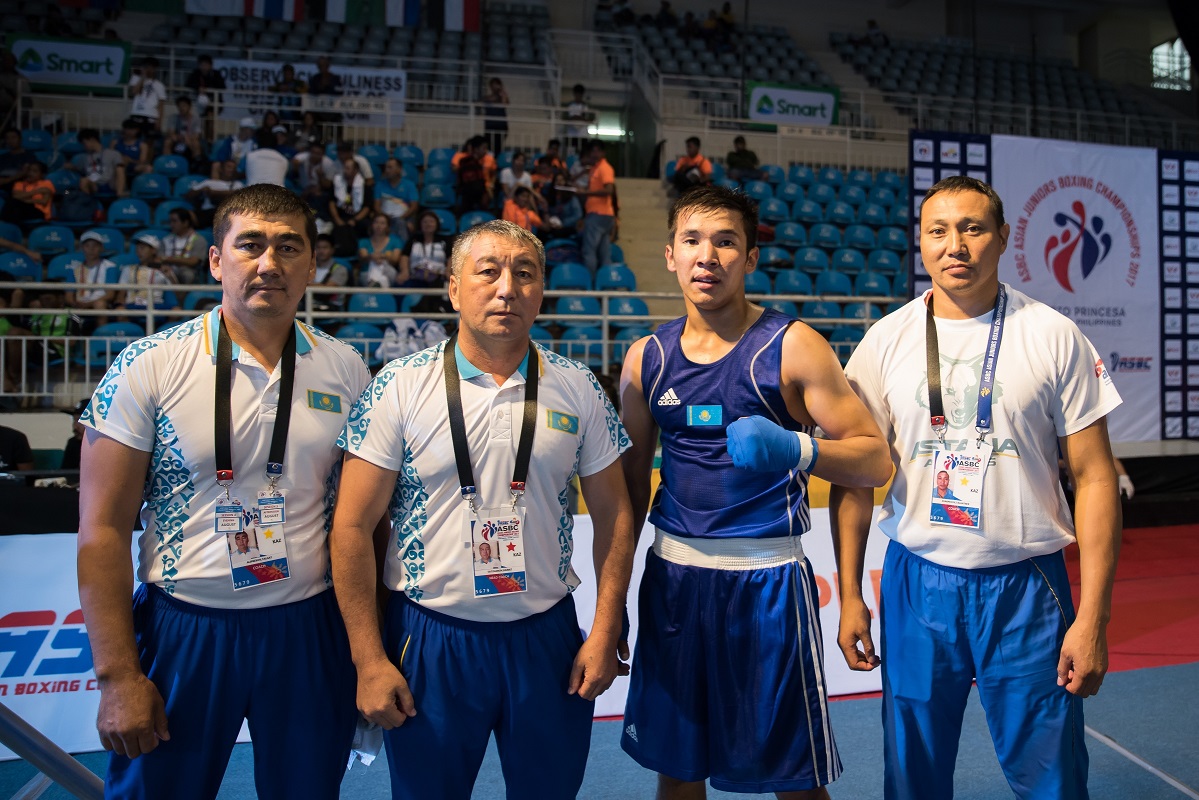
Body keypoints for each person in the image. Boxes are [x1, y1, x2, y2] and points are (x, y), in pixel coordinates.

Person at [830, 175, 1122, 800]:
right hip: (917, 582)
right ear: (920, 241)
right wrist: (849, 593)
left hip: (1027, 586)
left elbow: (1096, 477)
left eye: (972, 228)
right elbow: (856, 476)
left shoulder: (1053, 334)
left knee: (1051, 773)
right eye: (938, 231)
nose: (955, 245)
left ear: (1003, 237)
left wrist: (1094, 616)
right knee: (912, 770)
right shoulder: (885, 341)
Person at [77, 183, 371, 799]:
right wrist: (116, 675)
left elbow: (363, 521)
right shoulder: (149, 364)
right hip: (185, 627)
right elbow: (101, 530)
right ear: (216, 260)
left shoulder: (346, 368)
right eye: (250, 245)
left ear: (312, 266)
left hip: (306, 628)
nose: (269, 263)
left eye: (289, 247)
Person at [328, 218, 636, 798]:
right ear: (453, 288)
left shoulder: (579, 386)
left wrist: (605, 626)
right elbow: (351, 526)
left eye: (525, 274)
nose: (507, 288)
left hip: (546, 638)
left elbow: (616, 515)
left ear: (541, 291)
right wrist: (368, 659)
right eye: (488, 272)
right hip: (430, 637)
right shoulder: (399, 385)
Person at [618, 184, 891, 798]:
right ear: (670, 254)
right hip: (673, 584)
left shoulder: (792, 345)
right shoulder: (646, 359)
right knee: (678, 773)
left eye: (725, 242)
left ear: (750, 257)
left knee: (795, 782)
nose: (707, 256)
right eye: (692, 240)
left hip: (768, 584)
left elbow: (874, 460)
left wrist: (799, 449)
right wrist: (612, 610)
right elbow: (629, 495)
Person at [576, 139, 616, 274]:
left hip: (598, 215)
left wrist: (586, 192)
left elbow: (609, 190)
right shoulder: (595, 168)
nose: (594, 154)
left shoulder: (604, 168)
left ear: (603, 153)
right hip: (603, 215)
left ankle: (590, 283)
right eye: (592, 151)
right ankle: (606, 282)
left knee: (589, 251)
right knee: (604, 253)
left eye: (597, 151)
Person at [116, 233, 179, 318]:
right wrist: (119, 304)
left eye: (142, 248)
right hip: (133, 305)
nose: (139, 251)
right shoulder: (128, 269)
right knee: (120, 311)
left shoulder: (164, 270)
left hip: (156, 305)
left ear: (153, 251)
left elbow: (177, 294)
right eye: (137, 248)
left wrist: (170, 276)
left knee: (177, 311)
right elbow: (121, 294)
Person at [67, 231, 119, 328]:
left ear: (101, 248)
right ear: (82, 248)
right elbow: (69, 295)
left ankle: (102, 334)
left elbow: (110, 294)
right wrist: (74, 303)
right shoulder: (74, 268)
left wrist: (89, 304)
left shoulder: (109, 266)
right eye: (87, 246)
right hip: (79, 303)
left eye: (95, 246)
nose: (91, 249)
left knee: (99, 304)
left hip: (100, 302)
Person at [399, 209, 451, 290]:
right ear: (420, 224)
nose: (428, 224)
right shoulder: (413, 240)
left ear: (436, 224)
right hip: (415, 277)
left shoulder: (444, 241)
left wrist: (448, 271)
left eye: (431, 222)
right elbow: (405, 256)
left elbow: (450, 257)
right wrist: (404, 271)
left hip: (439, 277)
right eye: (425, 222)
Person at [186, 161, 245, 229]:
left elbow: (237, 194)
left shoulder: (238, 184)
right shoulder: (209, 183)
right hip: (208, 212)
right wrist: (202, 189)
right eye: (229, 167)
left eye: (234, 168)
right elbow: (188, 195)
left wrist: (213, 192)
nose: (231, 170)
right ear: (221, 169)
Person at [68, 128, 126, 196]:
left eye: (84, 143)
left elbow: (120, 172)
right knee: (67, 191)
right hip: (91, 185)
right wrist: (70, 167)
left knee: (84, 181)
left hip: (107, 185)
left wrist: (119, 193)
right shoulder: (85, 157)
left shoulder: (113, 154)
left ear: (92, 139)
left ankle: (87, 199)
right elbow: (78, 169)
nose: (84, 146)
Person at [374, 158, 419, 239]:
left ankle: (403, 246)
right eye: (386, 167)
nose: (387, 170)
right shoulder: (379, 185)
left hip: (404, 216)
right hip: (384, 217)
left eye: (390, 167)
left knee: (400, 223)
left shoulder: (409, 185)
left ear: (399, 169)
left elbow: (414, 206)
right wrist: (385, 218)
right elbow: (377, 206)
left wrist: (402, 217)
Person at [160, 207, 206, 285]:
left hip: (188, 270)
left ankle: (183, 293)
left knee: (187, 275)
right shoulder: (166, 240)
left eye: (174, 221)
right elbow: (159, 258)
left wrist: (169, 259)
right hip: (167, 269)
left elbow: (193, 261)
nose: (171, 224)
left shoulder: (198, 239)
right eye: (170, 221)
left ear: (185, 223)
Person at [184, 54, 226, 138]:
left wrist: (208, 90)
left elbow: (222, 87)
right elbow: (188, 84)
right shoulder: (196, 73)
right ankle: (199, 137)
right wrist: (198, 88)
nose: (204, 67)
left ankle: (209, 139)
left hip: (213, 103)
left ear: (210, 65)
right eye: (202, 65)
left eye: (206, 65)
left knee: (210, 119)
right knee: (198, 121)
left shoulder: (216, 74)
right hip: (199, 104)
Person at [356, 213, 403, 288]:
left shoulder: (396, 241)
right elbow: (363, 256)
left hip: (387, 272)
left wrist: (382, 256)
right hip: (367, 273)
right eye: (376, 222)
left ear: (387, 226)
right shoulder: (363, 241)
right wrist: (372, 257)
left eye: (382, 223)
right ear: (371, 225)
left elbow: (395, 259)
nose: (379, 225)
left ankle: (378, 286)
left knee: (388, 273)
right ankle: (378, 286)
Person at [127, 57, 167, 139]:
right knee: (134, 139)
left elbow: (161, 106)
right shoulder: (135, 79)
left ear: (155, 69)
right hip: (137, 113)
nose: (149, 69)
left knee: (150, 140)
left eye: (151, 67)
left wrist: (159, 121)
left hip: (151, 115)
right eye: (146, 67)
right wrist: (142, 77)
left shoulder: (159, 85)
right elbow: (133, 92)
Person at [111, 119, 154, 183]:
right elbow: (109, 156)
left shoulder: (142, 145)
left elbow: (142, 161)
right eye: (127, 129)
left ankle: (143, 186)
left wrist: (130, 160)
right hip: (117, 165)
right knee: (121, 162)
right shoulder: (115, 142)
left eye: (132, 129)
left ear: (137, 130)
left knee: (148, 168)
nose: (129, 131)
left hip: (134, 166)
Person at [163, 95, 203, 162]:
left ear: (189, 107)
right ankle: (167, 162)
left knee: (196, 144)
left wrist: (188, 139)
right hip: (178, 139)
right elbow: (171, 133)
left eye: (184, 106)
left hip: (190, 139)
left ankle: (196, 163)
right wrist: (181, 138)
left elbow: (197, 135)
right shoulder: (173, 118)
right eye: (179, 106)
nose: (181, 108)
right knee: (167, 142)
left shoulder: (196, 119)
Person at [0, 127, 36, 197]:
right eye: (7, 138)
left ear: (20, 139)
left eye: (13, 137)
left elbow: (25, 172)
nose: (10, 141)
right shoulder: (2, 157)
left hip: (18, 185)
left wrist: (6, 180)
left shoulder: (28, 156)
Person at [562, 84, 594, 155]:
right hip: (571, 135)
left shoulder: (587, 106)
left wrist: (582, 118)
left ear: (582, 95)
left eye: (580, 94)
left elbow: (592, 118)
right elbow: (563, 117)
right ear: (574, 94)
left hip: (583, 135)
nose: (578, 96)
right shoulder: (569, 105)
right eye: (577, 94)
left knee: (583, 154)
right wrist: (574, 118)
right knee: (571, 154)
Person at [481, 77, 509, 155]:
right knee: (488, 145)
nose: (495, 87)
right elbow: (484, 101)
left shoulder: (502, 97)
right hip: (490, 125)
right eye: (493, 85)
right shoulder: (487, 97)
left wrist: (502, 91)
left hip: (501, 125)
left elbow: (505, 103)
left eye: (497, 85)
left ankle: (496, 159)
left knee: (498, 146)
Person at [61, 399, 88, 471]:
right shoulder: (73, 443)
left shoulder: (105, 445)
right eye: (74, 420)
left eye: (79, 421)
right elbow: (65, 473)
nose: (75, 426)